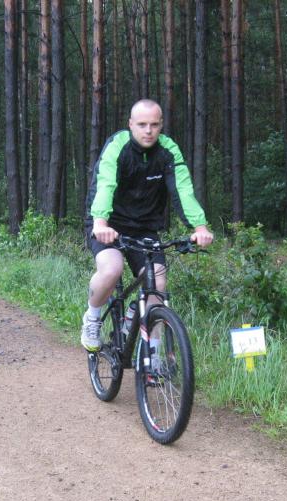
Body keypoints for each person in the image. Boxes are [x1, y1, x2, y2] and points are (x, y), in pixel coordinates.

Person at [80, 98, 214, 351]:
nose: (148, 131)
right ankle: (93, 316)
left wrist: (199, 227)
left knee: (157, 285)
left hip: (145, 227)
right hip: (109, 223)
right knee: (111, 269)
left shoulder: (168, 150)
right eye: (142, 124)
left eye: (154, 124)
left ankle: (153, 357)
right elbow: (105, 183)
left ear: (161, 125)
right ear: (131, 124)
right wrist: (100, 222)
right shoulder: (118, 146)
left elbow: (183, 189)